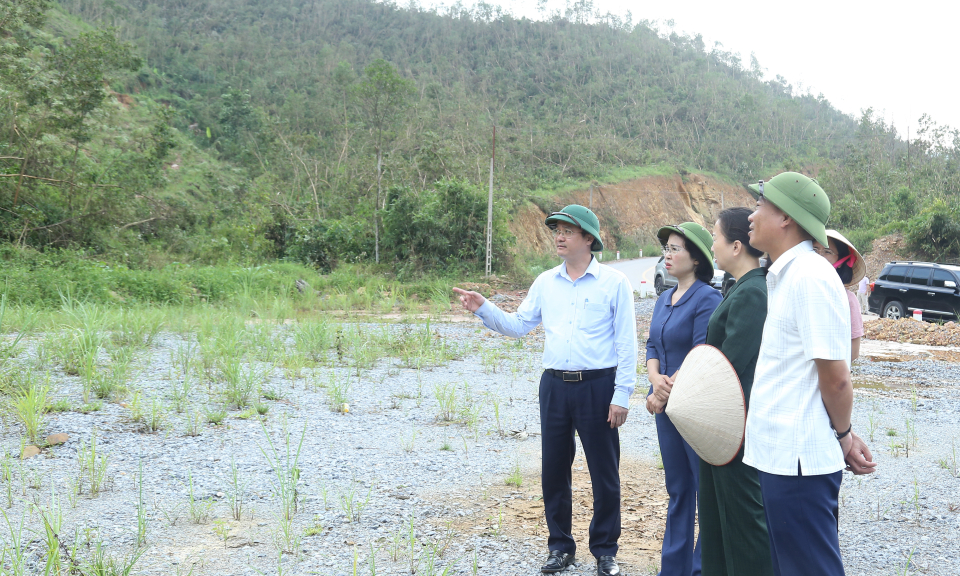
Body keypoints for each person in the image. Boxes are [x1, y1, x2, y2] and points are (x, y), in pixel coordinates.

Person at [453, 205, 636, 576]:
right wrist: (484, 307)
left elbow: (626, 344)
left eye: (568, 229)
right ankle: (560, 547)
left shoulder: (614, 283)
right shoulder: (545, 282)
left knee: (605, 472)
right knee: (554, 469)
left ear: (589, 238)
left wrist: (621, 395)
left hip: (598, 385)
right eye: (557, 229)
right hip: (554, 385)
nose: (559, 235)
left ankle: (605, 550)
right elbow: (520, 325)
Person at [744, 172, 877, 576]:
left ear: (785, 217)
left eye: (760, 205)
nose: (751, 215)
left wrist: (842, 435)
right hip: (782, 456)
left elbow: (836, 378)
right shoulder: (787, 275)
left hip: (798, 460)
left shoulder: (810, 277)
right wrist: (843, 434)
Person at [699, 208, 774, 576]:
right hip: (723, 423)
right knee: (718, 518)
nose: (711, 245)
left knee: (742, 524)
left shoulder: (753, 294)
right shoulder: (741, 288)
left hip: (734, 425)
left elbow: (729, 366)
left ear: (736, 246)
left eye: (715, 237)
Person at [645, 222, 722, 576]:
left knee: (703, 490)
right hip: (665, 405)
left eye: (676, 248)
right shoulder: (664, 298)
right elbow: (652, 345)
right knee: (677, 489)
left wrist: (665, 390)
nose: (668, 254)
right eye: (667, 248)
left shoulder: (708, 298)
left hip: (692, 405)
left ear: (696, 257)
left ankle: (699, 568)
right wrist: (653, 382)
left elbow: (700, 350)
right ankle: (672, 568)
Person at [813, 230, 866, 362]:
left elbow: (853, 352)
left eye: (827, 252)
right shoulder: (798, 290)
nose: (819, 256)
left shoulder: (848, 300)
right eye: (815, 250)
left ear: (842, 260)